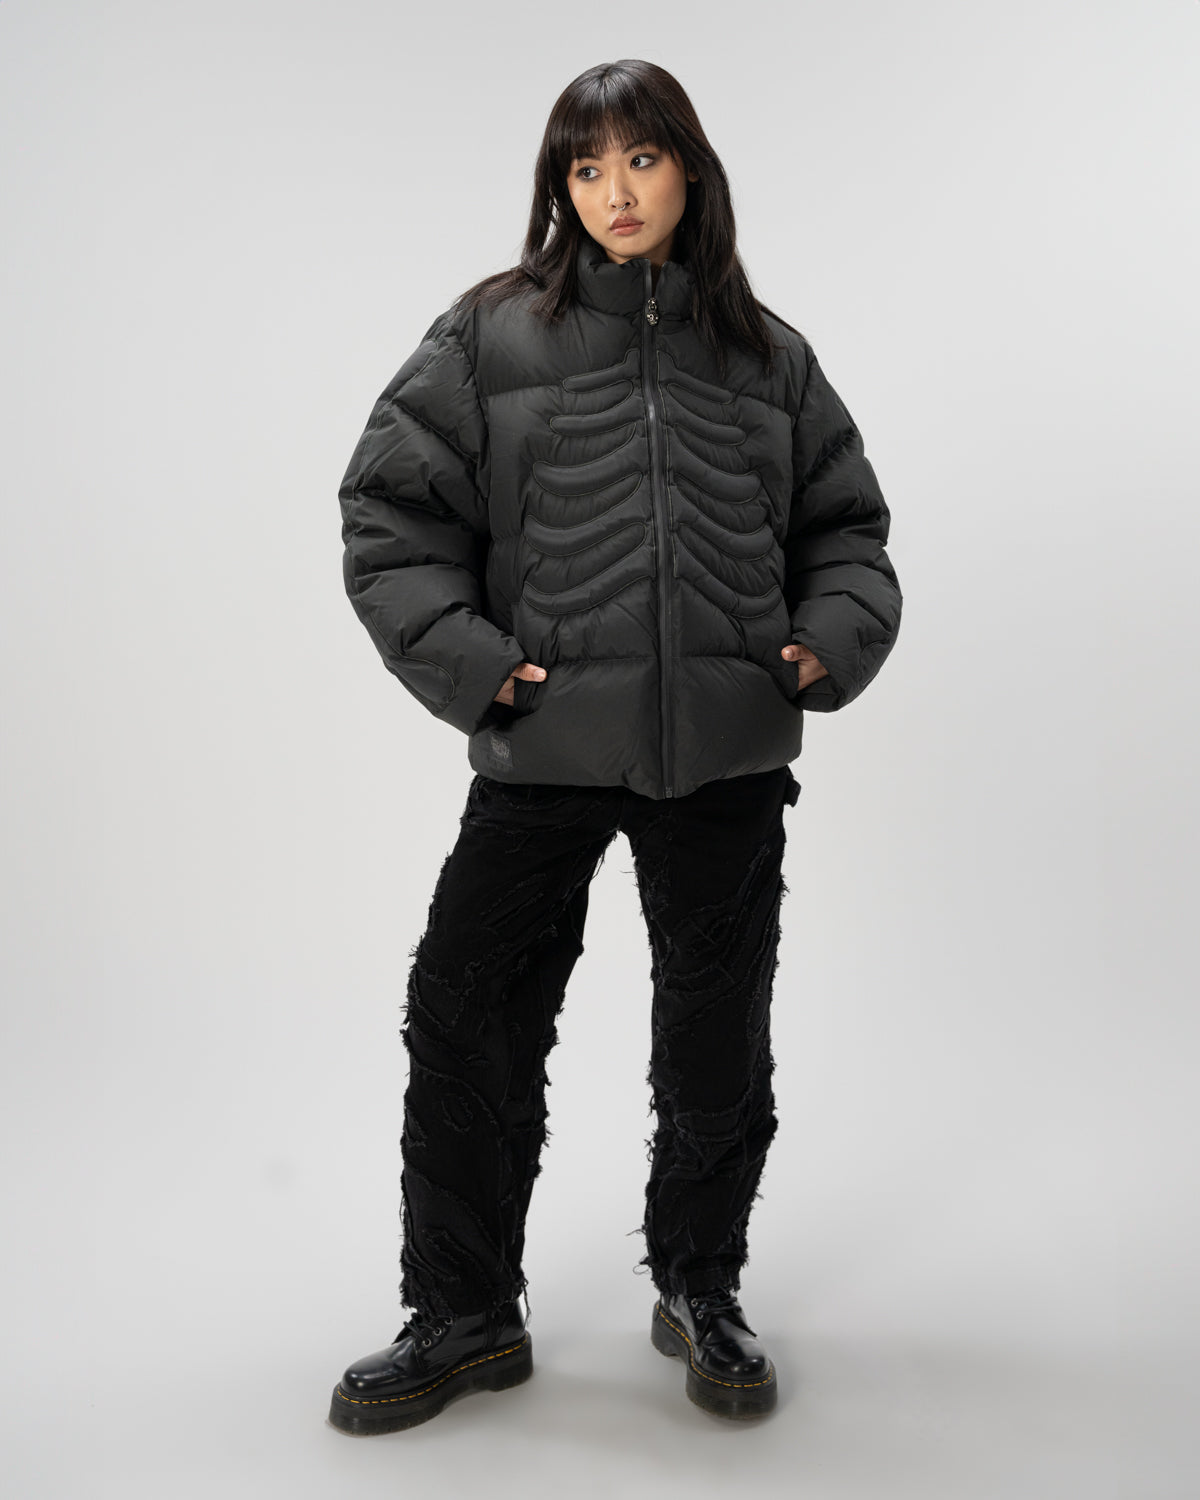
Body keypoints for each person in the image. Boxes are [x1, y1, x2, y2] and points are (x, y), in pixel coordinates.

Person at [328, 58, 902, 1434]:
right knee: (466, 1012)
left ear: (688, 169)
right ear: (560, 188)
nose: (615, 192)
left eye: (640, 159)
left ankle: (701, 1285)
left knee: (716, 1034)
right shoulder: (488, 338)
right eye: (585, 168)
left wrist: (827, 640)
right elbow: (389, 517)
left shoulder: (769, 356)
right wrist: (478, 668)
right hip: (543, 748)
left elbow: (848, 529)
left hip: (727, 758)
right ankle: (464, 1314)